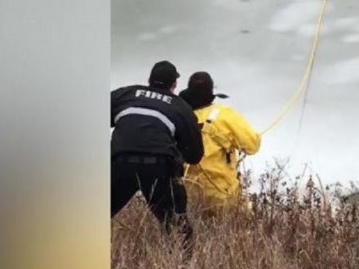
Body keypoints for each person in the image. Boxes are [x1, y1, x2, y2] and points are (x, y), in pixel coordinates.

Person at [110, 60, 203, 246]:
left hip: (120, 162)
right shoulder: (181, 107)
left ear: (149, 80)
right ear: (174, 85)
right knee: (177, 226)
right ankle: (182, 267)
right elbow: (194, 155)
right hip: (157, 167)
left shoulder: (124, 94)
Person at [179, 72, 261, 208]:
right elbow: (252, 146)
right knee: (243, 222)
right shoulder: (225, 114)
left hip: (189, 196)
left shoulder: (181, 116)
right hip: (222, 194)